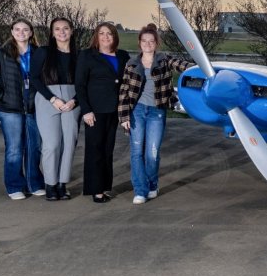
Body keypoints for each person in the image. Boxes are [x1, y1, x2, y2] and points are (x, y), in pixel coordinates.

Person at [117, 24, 193, 205]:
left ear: (156, 43)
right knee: (137, 152)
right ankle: (140, 191)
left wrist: (200, 69)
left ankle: (152, 185)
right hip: (137, 110)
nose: (148, 44)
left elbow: (182, 65)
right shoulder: (132, 64)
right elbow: (124, 91)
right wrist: (124, 116)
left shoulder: (164, 60)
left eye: (151, 41)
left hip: (156, 112)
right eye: (144, 41)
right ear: (139, 43)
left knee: (152, 152)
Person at [0, 18, 44, 200]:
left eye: (25, 29)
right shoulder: (0, 53)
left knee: (34, 147)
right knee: (15, 149)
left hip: (33, 109)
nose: (21, 33)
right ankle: (14, 186)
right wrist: (2, 96)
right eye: (17, 29)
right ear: (12, 32)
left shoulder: (40, 53)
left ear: (31, 32)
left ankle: (35, 184)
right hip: (9, 110)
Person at [75, 22, 130, 203]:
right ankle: (96, 190)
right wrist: (86, 110)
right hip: (95, 111)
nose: (106, 37)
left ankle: (105, 186)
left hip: (115, 111)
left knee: (108, 150)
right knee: (95, 150)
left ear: (115, 37)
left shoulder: (122, 56)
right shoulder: (87, 56)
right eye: (102, 33)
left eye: (109, 34)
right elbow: (80, 86)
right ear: (96, 36)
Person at [30, 17, 80, 201]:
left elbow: (84, 83)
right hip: (48, 99)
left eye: (65, 28)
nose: (62, 32)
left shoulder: (79, 55)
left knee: (69, 143)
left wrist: (75, 101)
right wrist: (52, 98)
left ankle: (62, 184)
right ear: (52, 33)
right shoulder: (43, 52)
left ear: (72, 30)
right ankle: (50, 184)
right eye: (57, 29)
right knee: (52, 144)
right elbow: (34, 78)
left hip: (72, 100)